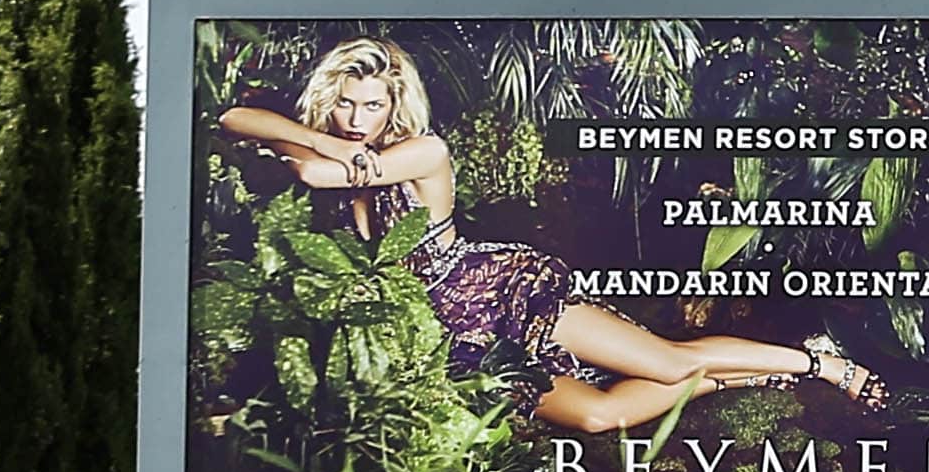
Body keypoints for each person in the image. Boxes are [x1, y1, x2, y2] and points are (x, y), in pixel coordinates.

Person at [217, 37, 881, 436]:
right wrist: (317, 137)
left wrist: (325, 153)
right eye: (346, 103)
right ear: (329, 99)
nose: (357, 119)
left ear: (397, 107)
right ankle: (743, 379)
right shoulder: (330, 147)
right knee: (599, 416)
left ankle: (818, 361)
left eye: (373, 105)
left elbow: (314, 173)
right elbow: (239, 120)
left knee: (671, 361)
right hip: (449, 338)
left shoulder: (423, 151)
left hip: (501, 294)